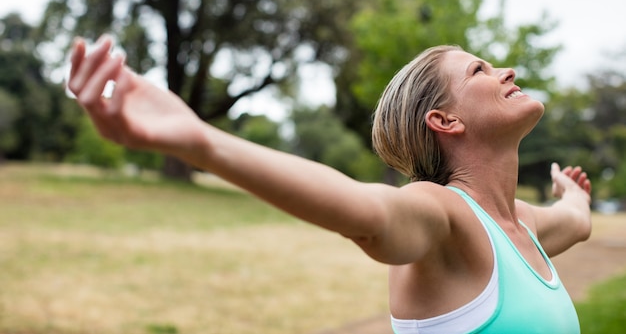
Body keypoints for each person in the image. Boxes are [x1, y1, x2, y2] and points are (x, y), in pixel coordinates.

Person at [67, 36, 592, 334]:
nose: (507, 70)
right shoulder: (444, 218)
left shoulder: (523, 224)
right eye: (480, 69)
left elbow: (577, 219)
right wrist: (198, 142)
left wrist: (572, 194)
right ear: (445, 120)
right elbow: (366, 211)